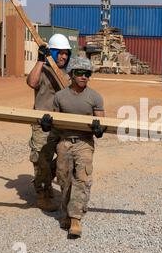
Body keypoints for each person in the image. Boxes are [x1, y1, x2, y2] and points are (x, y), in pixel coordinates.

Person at [44, 57, 105, 238]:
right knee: (64, 179)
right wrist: (48, 125)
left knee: (82, 178)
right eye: (80, 73)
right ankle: (66, 214)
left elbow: (103, 123)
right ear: (71, 74)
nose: (84, 77)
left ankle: (75, 218)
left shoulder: (94, 97)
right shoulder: (60, 97)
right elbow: (55, 122)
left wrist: (98, 129)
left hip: (84, 143)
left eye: (87, 74)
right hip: (64, 142)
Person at [26, 34, 72, 212]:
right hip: (42, 125)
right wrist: (40, 60)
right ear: (51, 53)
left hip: (61, 124)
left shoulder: (66, 75)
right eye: (59, 53)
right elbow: (32, 82)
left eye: (66, 53)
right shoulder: (43, 70)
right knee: (42, 160)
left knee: (65, 157)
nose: (63, 56)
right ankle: (42, 194)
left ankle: (44, 181)